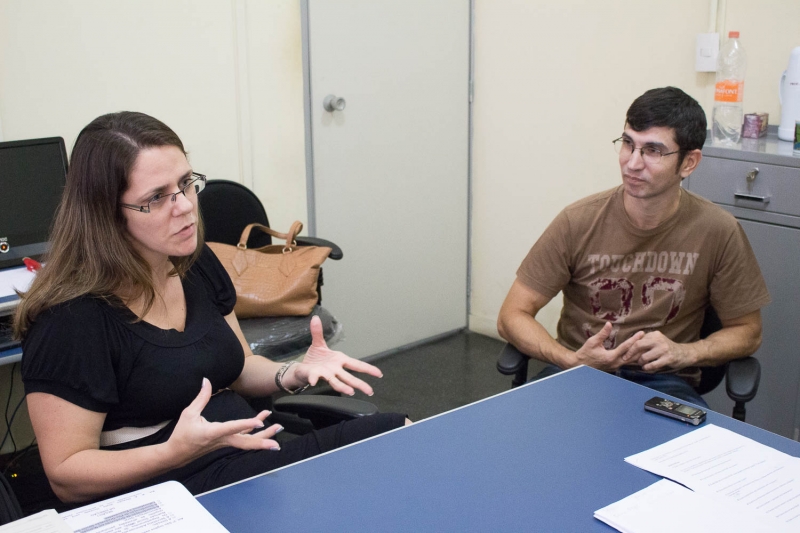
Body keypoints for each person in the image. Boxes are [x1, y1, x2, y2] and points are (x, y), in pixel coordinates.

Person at [13, 111, 408, 504]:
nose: (185, 206)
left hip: (246, 450)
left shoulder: (193, 262)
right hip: (172, 490)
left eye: (186, 184)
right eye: (156, 197)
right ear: (107, 215)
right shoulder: (71, 318)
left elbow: (239, 367)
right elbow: (67, 474)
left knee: (398, 434)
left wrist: (292, 372)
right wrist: (173, 452)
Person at [497, 87, 770, 406]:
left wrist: (685, 352)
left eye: (653, 150)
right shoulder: (578, 221)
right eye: (628, 143)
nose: (632, 163)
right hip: (578, 371)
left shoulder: (718, 231)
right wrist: (569, 359)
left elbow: (748, 331)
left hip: (663, 382)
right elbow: (512, 315)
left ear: (689, 162)